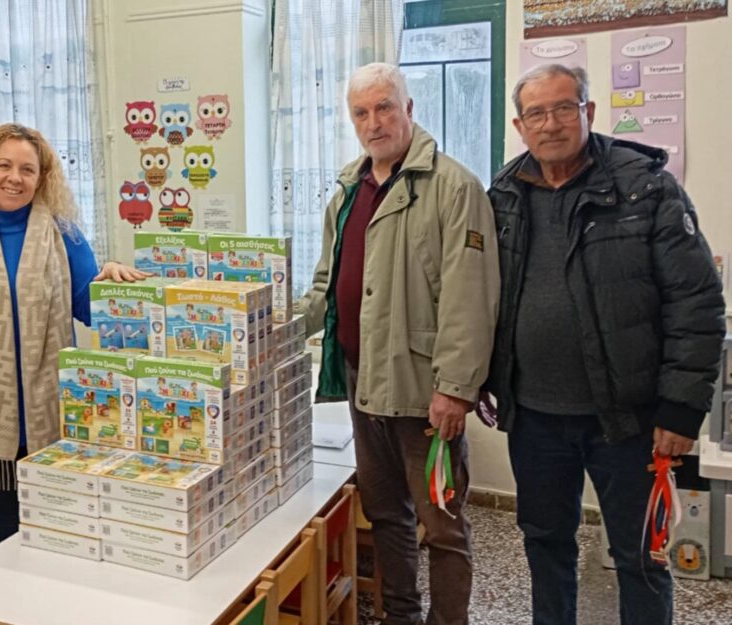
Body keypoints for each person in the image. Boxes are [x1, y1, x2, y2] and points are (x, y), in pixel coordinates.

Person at [485, 64, 725, 625]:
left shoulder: (647, 187)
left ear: (588, 112)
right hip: (535, 417)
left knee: (640, 555)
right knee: (545, 543)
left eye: (563, 108)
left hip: (627, 419)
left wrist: (682, 408)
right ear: (520, 126)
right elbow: (485, 296)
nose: (551, 124)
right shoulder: (503, 194)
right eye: (536, 113)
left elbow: (696, 303)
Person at [297, 62, 499, 625]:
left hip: (424, 392)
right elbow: (326, 287)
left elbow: (471, 298)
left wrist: (455, 390)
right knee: (386, 513)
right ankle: (400, 616)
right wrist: (263, 324)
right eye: (361, 112)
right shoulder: (347, 190)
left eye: (384, 107)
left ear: (409, 109)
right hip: (364, 384)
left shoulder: (454, 187)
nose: (374, 122)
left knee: (442, 525)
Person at [0, 123, 149, 543]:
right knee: (6, 516)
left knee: (61, 519)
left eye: (28, 169)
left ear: (42, 177)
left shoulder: (65, 235)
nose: (15, 178)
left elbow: (89, 307)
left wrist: (111, 282)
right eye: (4, 165)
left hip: (53, 406)